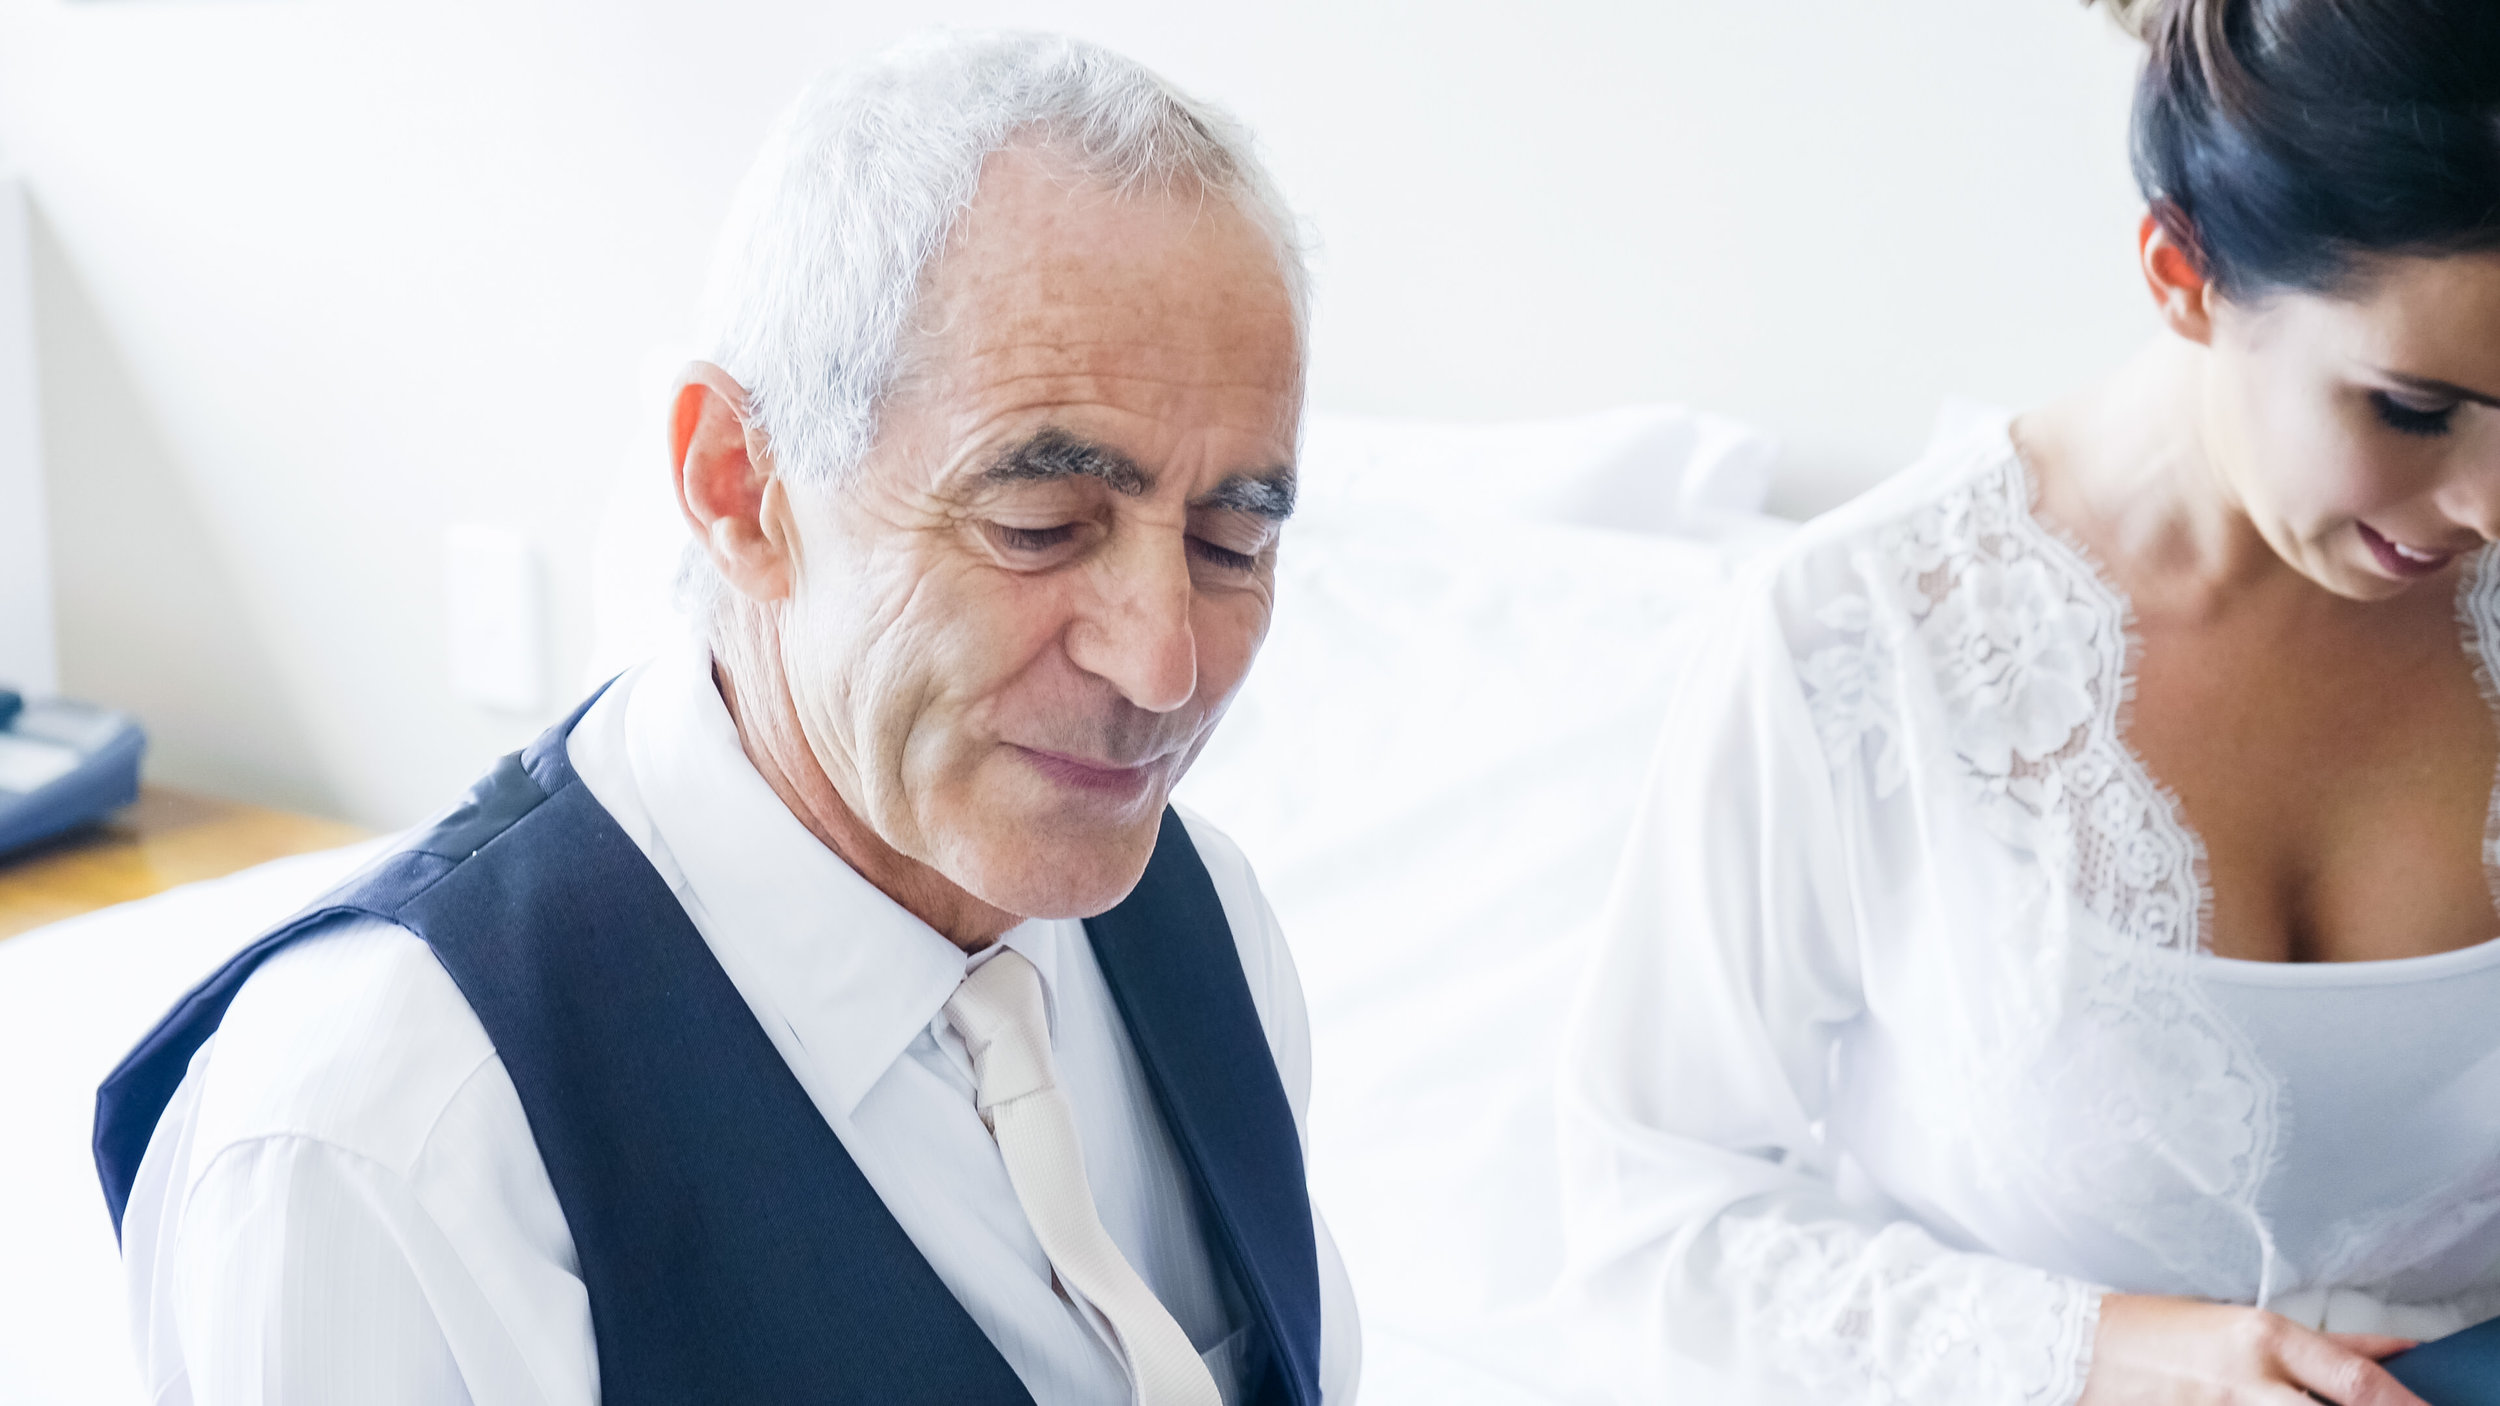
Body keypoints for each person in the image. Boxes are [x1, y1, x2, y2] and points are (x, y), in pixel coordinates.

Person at [93, 31, 1358, 1406]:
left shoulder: (1211, 925)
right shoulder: (389, 1132)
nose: (1164, 665)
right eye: (1040, 526)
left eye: (1232, 543)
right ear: (740, 488)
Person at [1560, 0, 2500, 1401]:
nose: (2488, 503)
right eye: (2412, 411)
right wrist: (2101, 1355)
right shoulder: (1855, 636)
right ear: (2184, 273)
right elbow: (1652, 1231)